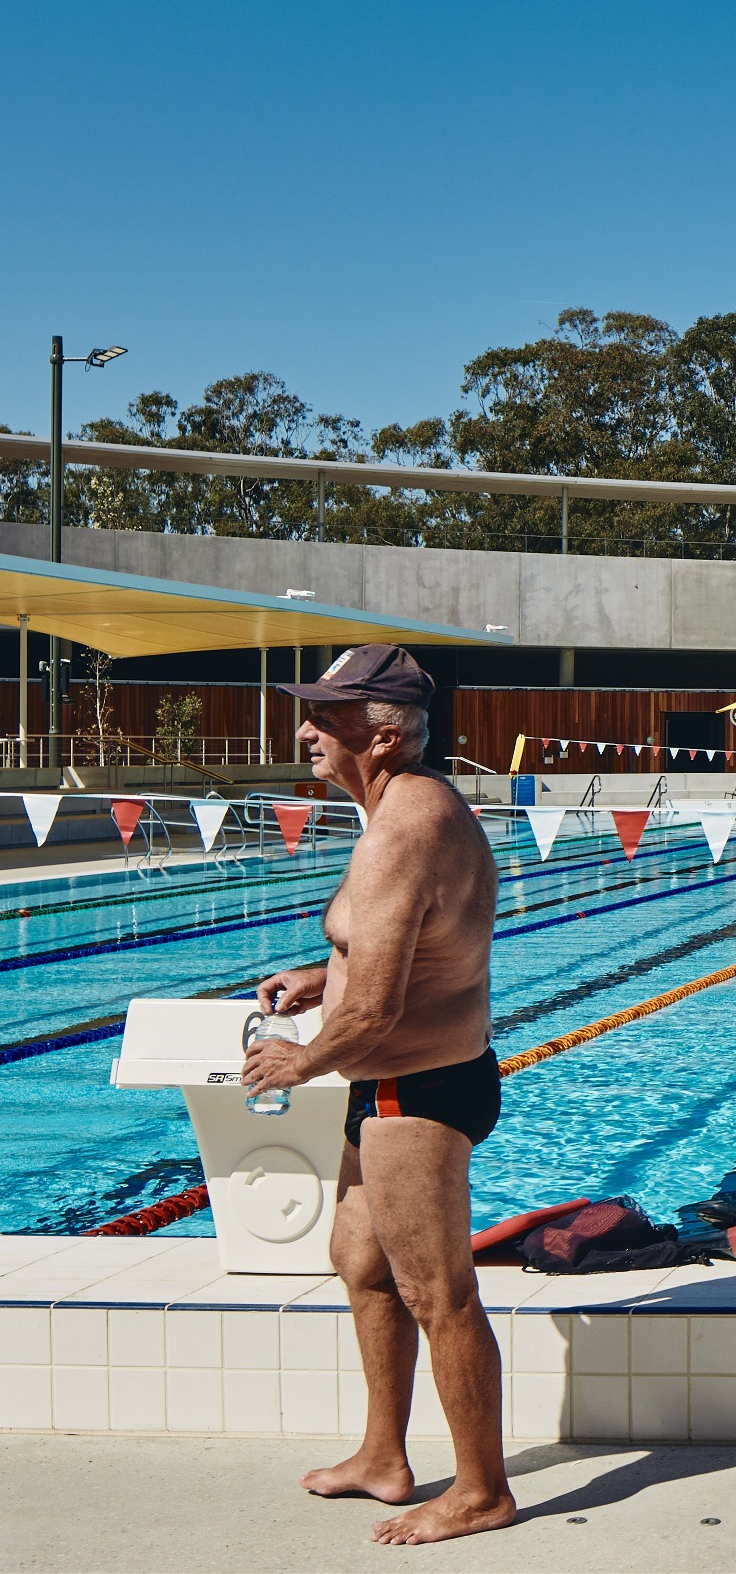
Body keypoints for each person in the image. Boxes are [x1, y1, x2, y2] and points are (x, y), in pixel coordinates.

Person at [241, 645, 513, 1546]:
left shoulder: (405, 828)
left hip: (414, 1087)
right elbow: (398, 952)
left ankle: (481, 1490)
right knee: (360, 1260)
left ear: (384, 734)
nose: (307, 731)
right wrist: (324, 975)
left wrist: (302, 1060)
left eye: (329, 716)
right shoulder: (397, 807)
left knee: (440, 1292)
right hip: (396, 1077)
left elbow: (383, 1005)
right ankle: (384, 1456)